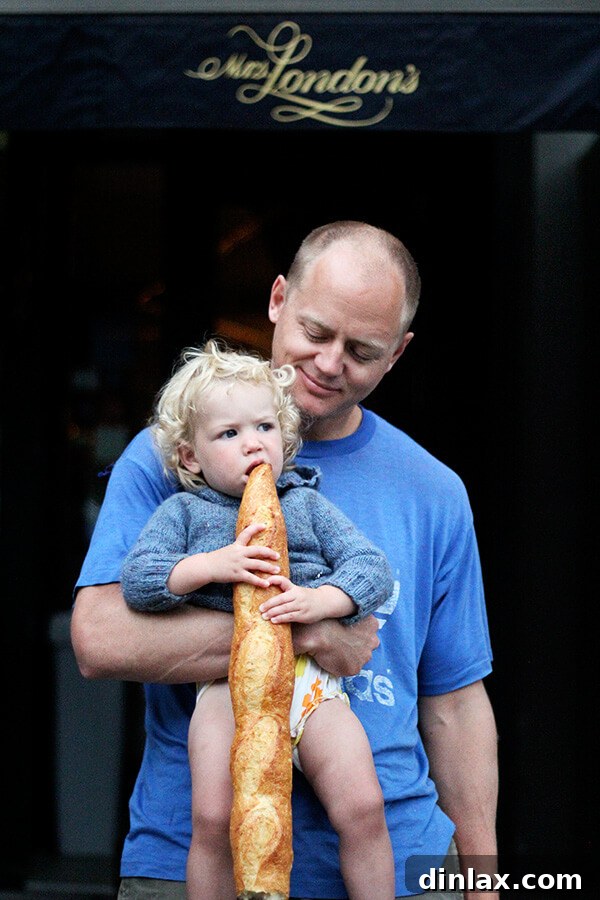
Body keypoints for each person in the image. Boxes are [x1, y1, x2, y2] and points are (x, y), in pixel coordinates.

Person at [72, 220, 497, 900]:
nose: (330, 364)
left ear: (398, 354)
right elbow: (98, 639)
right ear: (276, 300)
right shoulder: (174, 459)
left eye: (362, 350)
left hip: (405, 859)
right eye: (316, 332)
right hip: (193, 852)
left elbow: (455, 700)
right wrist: (312, 633)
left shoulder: (434, 491)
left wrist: (482, 879)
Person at [120, 340, 396, 900]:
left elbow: (373, 568)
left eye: (265, 427)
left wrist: (326, 601)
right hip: (226, 686)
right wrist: (208, 567)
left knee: (364, 806)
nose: (253, 444)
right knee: (213, 817)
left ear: (286, 438)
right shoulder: (184, 512)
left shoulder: (306, 504)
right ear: (190, 457)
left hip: (313, 684)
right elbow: (140, 579)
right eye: (229, 434)